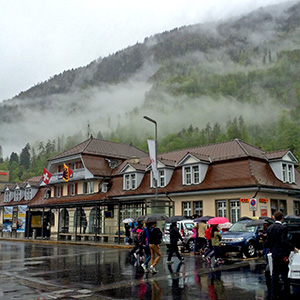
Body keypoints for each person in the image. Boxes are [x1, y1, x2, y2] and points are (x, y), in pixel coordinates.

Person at [266, 211, 299, 299]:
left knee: (274, 275)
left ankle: (273, 294)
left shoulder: (270, 228)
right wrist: (293, 248)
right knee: (285, 275)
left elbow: (267, 242)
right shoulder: (283, 228)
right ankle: (286, 294)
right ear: (282, 218)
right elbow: (284, 241)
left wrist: (272, 249)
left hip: (275, 254)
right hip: (282, 255)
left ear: (274, 218)